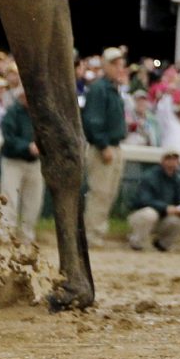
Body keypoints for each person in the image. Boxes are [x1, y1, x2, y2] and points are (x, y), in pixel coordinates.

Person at [81, 49, 130, 237]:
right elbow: (93, 121)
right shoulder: (99, 88)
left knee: (108, 194)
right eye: (115, 64)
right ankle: (91, 234)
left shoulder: (112, 88)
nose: (119, 68)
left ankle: (97, 231)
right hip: (104, 147)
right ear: (106, 66)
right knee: (99, 192)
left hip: (114, 145)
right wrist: (103, 145)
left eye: (120, 64)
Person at [126, 147, 180, 251]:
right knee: (149, 214)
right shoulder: (150, 177)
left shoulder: (177, 180)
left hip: (163, 218)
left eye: (175, 159)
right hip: (142, 216)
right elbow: (143, 200)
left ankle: (163, 244)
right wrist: (165, 207)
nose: (172, 162)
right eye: (169, 159)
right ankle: (136, 241)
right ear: (162, 161)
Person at [0, 80, 46, 238]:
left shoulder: (41, 114)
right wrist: (27, 146)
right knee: (9, 199)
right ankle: (5, 233)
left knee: (34, 201)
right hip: (13, 161)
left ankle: (27, 235)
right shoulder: (12, 112)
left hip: (35, 162)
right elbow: (8, 138)